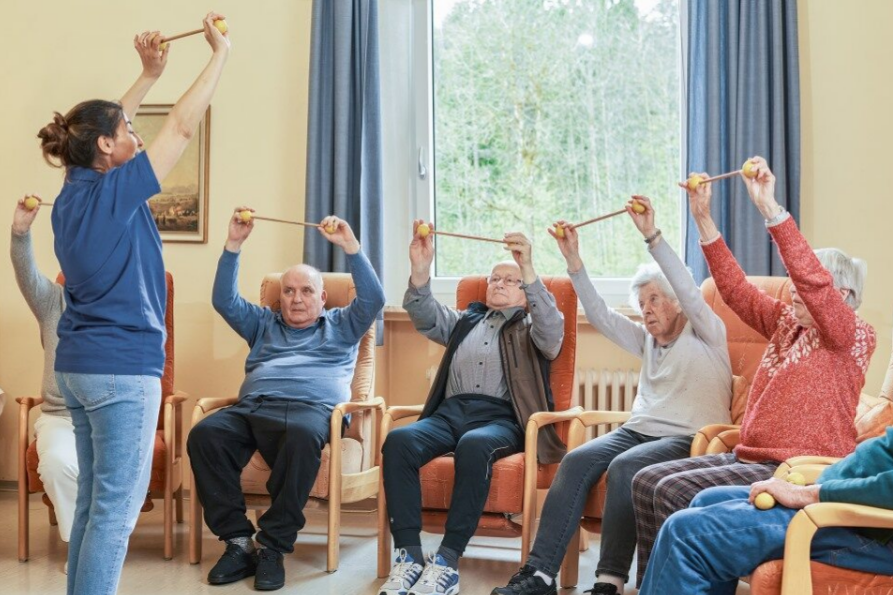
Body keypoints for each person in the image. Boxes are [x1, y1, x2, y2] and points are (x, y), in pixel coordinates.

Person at [37, 15, 230, 595]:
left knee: (94, 511)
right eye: (126, 129)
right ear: (105, 146)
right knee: (115, 519)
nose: (136, 132)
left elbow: (93, 129)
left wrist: (146, 76)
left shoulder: (75, 190)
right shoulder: (114, 192)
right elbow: (182, 125)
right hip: (121, 371)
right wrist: (220, 54)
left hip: (79, 367)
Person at [631, 156, 876, 585]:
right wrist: (702, 219)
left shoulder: (852, 335)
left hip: (795, 466)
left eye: (805, 285)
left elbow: (812, 280)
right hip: (750, 457)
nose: (794, 289)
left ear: (841, 294)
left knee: (671, 490)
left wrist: (770, 208)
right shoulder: (787, 323)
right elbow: (735, 289)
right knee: (647, 481)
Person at [491, 196, 733, 595]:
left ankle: (609, 581)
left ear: (677, 302)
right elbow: (601, 316)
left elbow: (690, 289)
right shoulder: (647, 342)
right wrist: (574, 261)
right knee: (576, 459)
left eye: (655, 299)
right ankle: (539, 575)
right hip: (639, 430)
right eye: (642, 304)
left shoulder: (707, 331)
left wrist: (652, 236)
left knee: (624, 467)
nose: (647, 309)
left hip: (690, 437)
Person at [187, 210, 385, 591]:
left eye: (306, 290)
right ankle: (238, 541)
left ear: (323, 298)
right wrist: (233, 245)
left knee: (300, 435)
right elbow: (223, 300)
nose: (296, 299)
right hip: (253, 407)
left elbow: (374, 297)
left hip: (313, 412)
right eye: (289, 291)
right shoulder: (262, 323)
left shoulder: (342, 325)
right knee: (205, 434)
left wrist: (350, 246)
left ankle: (273, 547)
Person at [378, 221, 565, 595]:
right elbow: (424, 314)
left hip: (501, 419)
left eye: (508, 280)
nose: (497, 283)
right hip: (450, 414)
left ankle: (446, 562)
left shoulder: (533, 327)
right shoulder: (466, 321)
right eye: (494, 278)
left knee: (475, 445)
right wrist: (420, 269)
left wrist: (527, 268)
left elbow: (552, 327)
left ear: (526, 292)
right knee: (398, 441)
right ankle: (409, 557)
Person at [639, 426, 893, 594]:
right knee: (707, 499)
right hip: (841, 503)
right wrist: (814, 486)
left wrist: (808, 494)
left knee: (686, 534)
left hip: (871, 529)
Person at [11, 197, 76, 552]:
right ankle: (80, 544)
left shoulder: (118, 305)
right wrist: (21, 230)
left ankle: (103, 545)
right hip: (60, 418)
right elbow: (26, 274)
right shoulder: (53, 301)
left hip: (108, 417)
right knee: (55, 464)